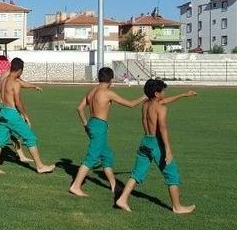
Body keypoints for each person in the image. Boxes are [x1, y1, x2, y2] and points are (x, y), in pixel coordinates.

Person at [115, 80, 197, 214]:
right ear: (156, 93)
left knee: (137, 173)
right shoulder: (161, 108)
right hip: (156, 144)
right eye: (162, 91)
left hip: (145, 142)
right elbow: (163, 128)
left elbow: (163, 101)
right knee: (172, 174)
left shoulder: (146, 104)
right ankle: (177, 207)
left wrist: (183, 95)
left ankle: (122, 199)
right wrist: (168, 150)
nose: (164, 93)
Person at [68, 67, 147, 197]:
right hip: (99, 126)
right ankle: (76, 186)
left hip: (93, 123)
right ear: (111, 79)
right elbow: (131, 104)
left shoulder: (91, 92)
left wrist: (85, 124)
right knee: (92, 157)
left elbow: (80, 108)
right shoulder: (107, 93)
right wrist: (144, 96)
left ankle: (114, 185)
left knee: (106, 156)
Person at [0, 57, 55, 174]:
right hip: (11, 114)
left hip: (2, 112)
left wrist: (33, 86)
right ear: (20, 71)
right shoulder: (15, 83)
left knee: (0, 140)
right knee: (30, 138)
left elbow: (20, 84)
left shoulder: (4, 80)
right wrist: (25, 115)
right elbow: (18, 102)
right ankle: (40, 166)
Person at [0, 68, 43, 163]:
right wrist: (23, 114)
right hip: (7, 108)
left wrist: (33, 86)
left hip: (3, 107)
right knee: (5, 132)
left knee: (9, 131)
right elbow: (19, 84)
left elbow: (21, 83)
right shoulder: (9, 76)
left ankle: (20, 155)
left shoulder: (6, 75)